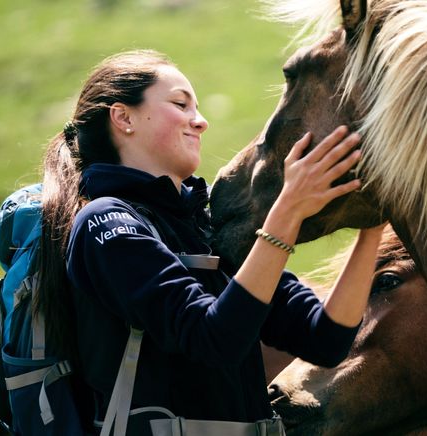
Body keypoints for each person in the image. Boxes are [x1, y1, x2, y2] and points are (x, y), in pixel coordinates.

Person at [36, 49, 383, 434]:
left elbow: (327, 339)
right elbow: (212, 339)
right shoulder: (105, 225)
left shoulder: (205, 228)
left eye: (197, 108)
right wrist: (286, 213)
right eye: (180, 104)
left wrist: (375, 217)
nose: (200, 122)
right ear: (123, 117)